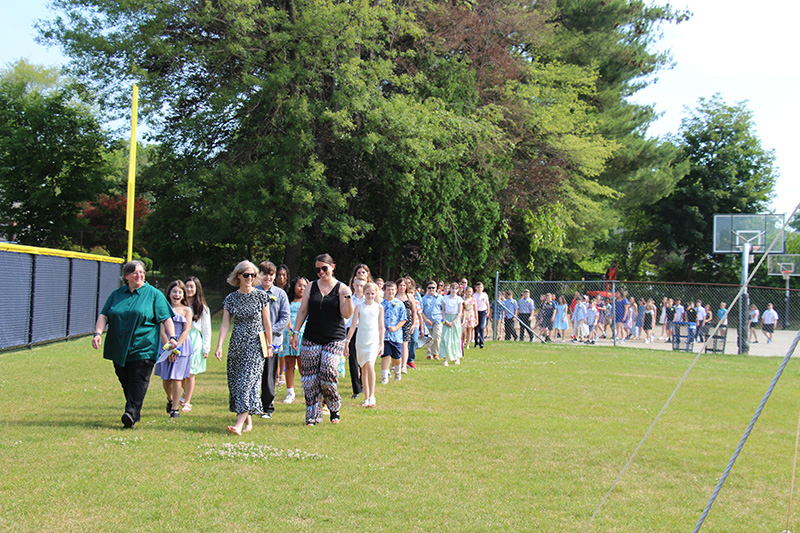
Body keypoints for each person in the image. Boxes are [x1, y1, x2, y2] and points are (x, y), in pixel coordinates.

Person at [92, 260, 177, 429]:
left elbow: (166, 318)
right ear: (127, 276)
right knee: (125, 379)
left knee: (138, 379)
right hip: (119, 346)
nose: (139, 275)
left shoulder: (153, 294)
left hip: (143, 346)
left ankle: (130, 413)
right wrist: (97, 334)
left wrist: (172, 337)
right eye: (135, 272)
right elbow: (104, 315)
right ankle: (133, 411)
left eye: (142, 272)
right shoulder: (117, 294)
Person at [290, 254, 354, 426]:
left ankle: (334, 406)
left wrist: (348, 297)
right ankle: (312, 414)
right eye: (317, 269)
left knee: (328, 372)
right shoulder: (311, 286)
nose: (321, 272)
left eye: (324, 268)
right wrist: (295, 332)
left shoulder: (341, 288)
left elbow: (347, 314)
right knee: (309, 379)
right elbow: (303, 311)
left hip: (334, 337)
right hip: (312, 336)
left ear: (332, 267)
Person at [215, 260, 273, 436]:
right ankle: (248, 420)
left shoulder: (262, 296)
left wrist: (270, 345)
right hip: (237, 345)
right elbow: (225, 325)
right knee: (238, 384)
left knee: (245, 383)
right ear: (238, 276)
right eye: (246, 275)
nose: (250, 278)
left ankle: (238, 425)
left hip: (256, 344)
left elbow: (267, 323)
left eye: (253, 275)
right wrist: (219, 346)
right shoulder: (231, 299)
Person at [255, 261, 290, 420]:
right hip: (254, 339)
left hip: (272, 341)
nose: (268, 277)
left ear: (274, 276)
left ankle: (267, 407)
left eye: (271, 274)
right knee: (254, 373)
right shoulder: (253, 292)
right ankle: (252, 404)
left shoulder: (280, 294)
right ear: (259, 275)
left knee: (269, 373)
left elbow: (285, 317)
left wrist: (269, 332)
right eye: (264, 273)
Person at [154, 280, 194, 418]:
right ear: (169, 293)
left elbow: (186, 330)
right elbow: (161, 331)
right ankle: (170, 400)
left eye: (179, 292)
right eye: (174, 291)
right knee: (166, 379)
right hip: (166, 345)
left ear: (183, 295)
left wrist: (177, 348)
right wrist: (169, 349)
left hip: (182, 347)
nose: (177, 295)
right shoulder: (163, 308)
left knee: (177, 378)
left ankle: (175, 409)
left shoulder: (187, 310)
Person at [346, 282, 384, 408]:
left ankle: (372, 396)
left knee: (370, 365)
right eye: (367, 293)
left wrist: (381, 343)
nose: (370, 296)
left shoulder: (379, 308)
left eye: (372, 294)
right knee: (363, 369)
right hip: (361, 341)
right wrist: (347, 342)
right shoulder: (359, 307)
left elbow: (381, 327)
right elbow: (352, 327)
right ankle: (366, 397)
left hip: (373, 341)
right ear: (364, 293)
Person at [181, 276, 211, 412]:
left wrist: (206, 348)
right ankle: (185, 392)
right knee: (180, 373)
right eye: (186, 286)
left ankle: (187, 401)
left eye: (192, 287)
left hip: (194, 340)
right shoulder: (179, 304)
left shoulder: (202, 308)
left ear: (197, 289)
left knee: (190, 373)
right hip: (180, 339)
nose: (189, 289)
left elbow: (206, 329)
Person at [282, 276, 308, 404]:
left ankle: (305, 389)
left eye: (304, 286)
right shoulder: (288, 300)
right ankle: (290, 392)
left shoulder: (308, 301)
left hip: (304, 334)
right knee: (290, 364)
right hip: (289, 334)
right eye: (299, 285)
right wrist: (291, 333)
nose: (302, 288)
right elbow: (286, 316)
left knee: (303, 364)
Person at [380, 281, 407, 382]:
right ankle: (384, 377)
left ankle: (397, 371)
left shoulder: (400, 304)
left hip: (396, 336)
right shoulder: (381, 305)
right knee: (385, 355)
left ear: (395, 291)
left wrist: (396, 327)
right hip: (384, 335)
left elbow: (403, 319)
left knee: (396, 357)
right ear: (384, 291)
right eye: (388, 290)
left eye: (392, 290)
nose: (390, 292)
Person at [345, 276, 367, 398]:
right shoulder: (349, 299)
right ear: (353, 285)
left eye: (362, 286)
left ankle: (364, 383)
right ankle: (356, 389)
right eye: (357, 285)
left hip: (363, 330)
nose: (359, 288)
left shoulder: (367, 300)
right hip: (351, 330)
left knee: (362, 359)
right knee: (352, 360)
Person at [440, 282, 464, 365]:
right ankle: (445, 359)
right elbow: (443, 310)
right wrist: (445, 320)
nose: (454, 290)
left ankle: (457, 357)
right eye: (452, 288)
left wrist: (454, 322)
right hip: (447, 318)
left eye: (455, 289)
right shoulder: (445, 298)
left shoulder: (459, 299)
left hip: (455, 320)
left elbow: (460, 312)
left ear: (458, 290)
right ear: (450, 289)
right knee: (445, 338)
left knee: (456, 339)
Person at [421, 281, 444, 359]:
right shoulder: (423, 299)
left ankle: (435, 353)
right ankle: (429, 353)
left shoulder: (440, 298)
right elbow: (421, 311)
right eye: (429, 288)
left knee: (437, 335)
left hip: (437, 319)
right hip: (428, 320)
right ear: (427, 289)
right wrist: (425, 319)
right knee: (429, 338)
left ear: (436, 288)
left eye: (433, 288)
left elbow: (443, 310)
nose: (431, 289)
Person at [396, 278, 415, 373]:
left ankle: (404, 365)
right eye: (400, 285)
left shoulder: (409, 296)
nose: (402, 287)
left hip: (407, 322)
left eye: (404, 285)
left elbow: (414, 311)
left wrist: (414, 324)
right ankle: (395, 364)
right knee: (395, 343)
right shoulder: (394, 296)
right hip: (396, 322)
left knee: (405, 343)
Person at [473, 282, 490, 348]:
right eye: (478, 288)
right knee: (476, 327)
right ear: (476, 288)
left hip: (483, 312)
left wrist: (488, 312)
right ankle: (476, 342)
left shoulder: (485, 295)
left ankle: (481, 342)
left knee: (482, 327)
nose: (479, 289)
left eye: (481, 287)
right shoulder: (474, 295)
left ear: (483, 288)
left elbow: (487, 304)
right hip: (476, 312)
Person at [461, 286, 478, 351]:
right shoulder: (463, 299)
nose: (469, 293)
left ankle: (468, 344)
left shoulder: (474, 300)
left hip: (471, 314)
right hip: (465, 314)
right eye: (468, 291)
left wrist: (476, 319)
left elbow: (475, 310)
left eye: (470, 292)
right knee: (463, 330)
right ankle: (463, 341)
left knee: (469, 330)